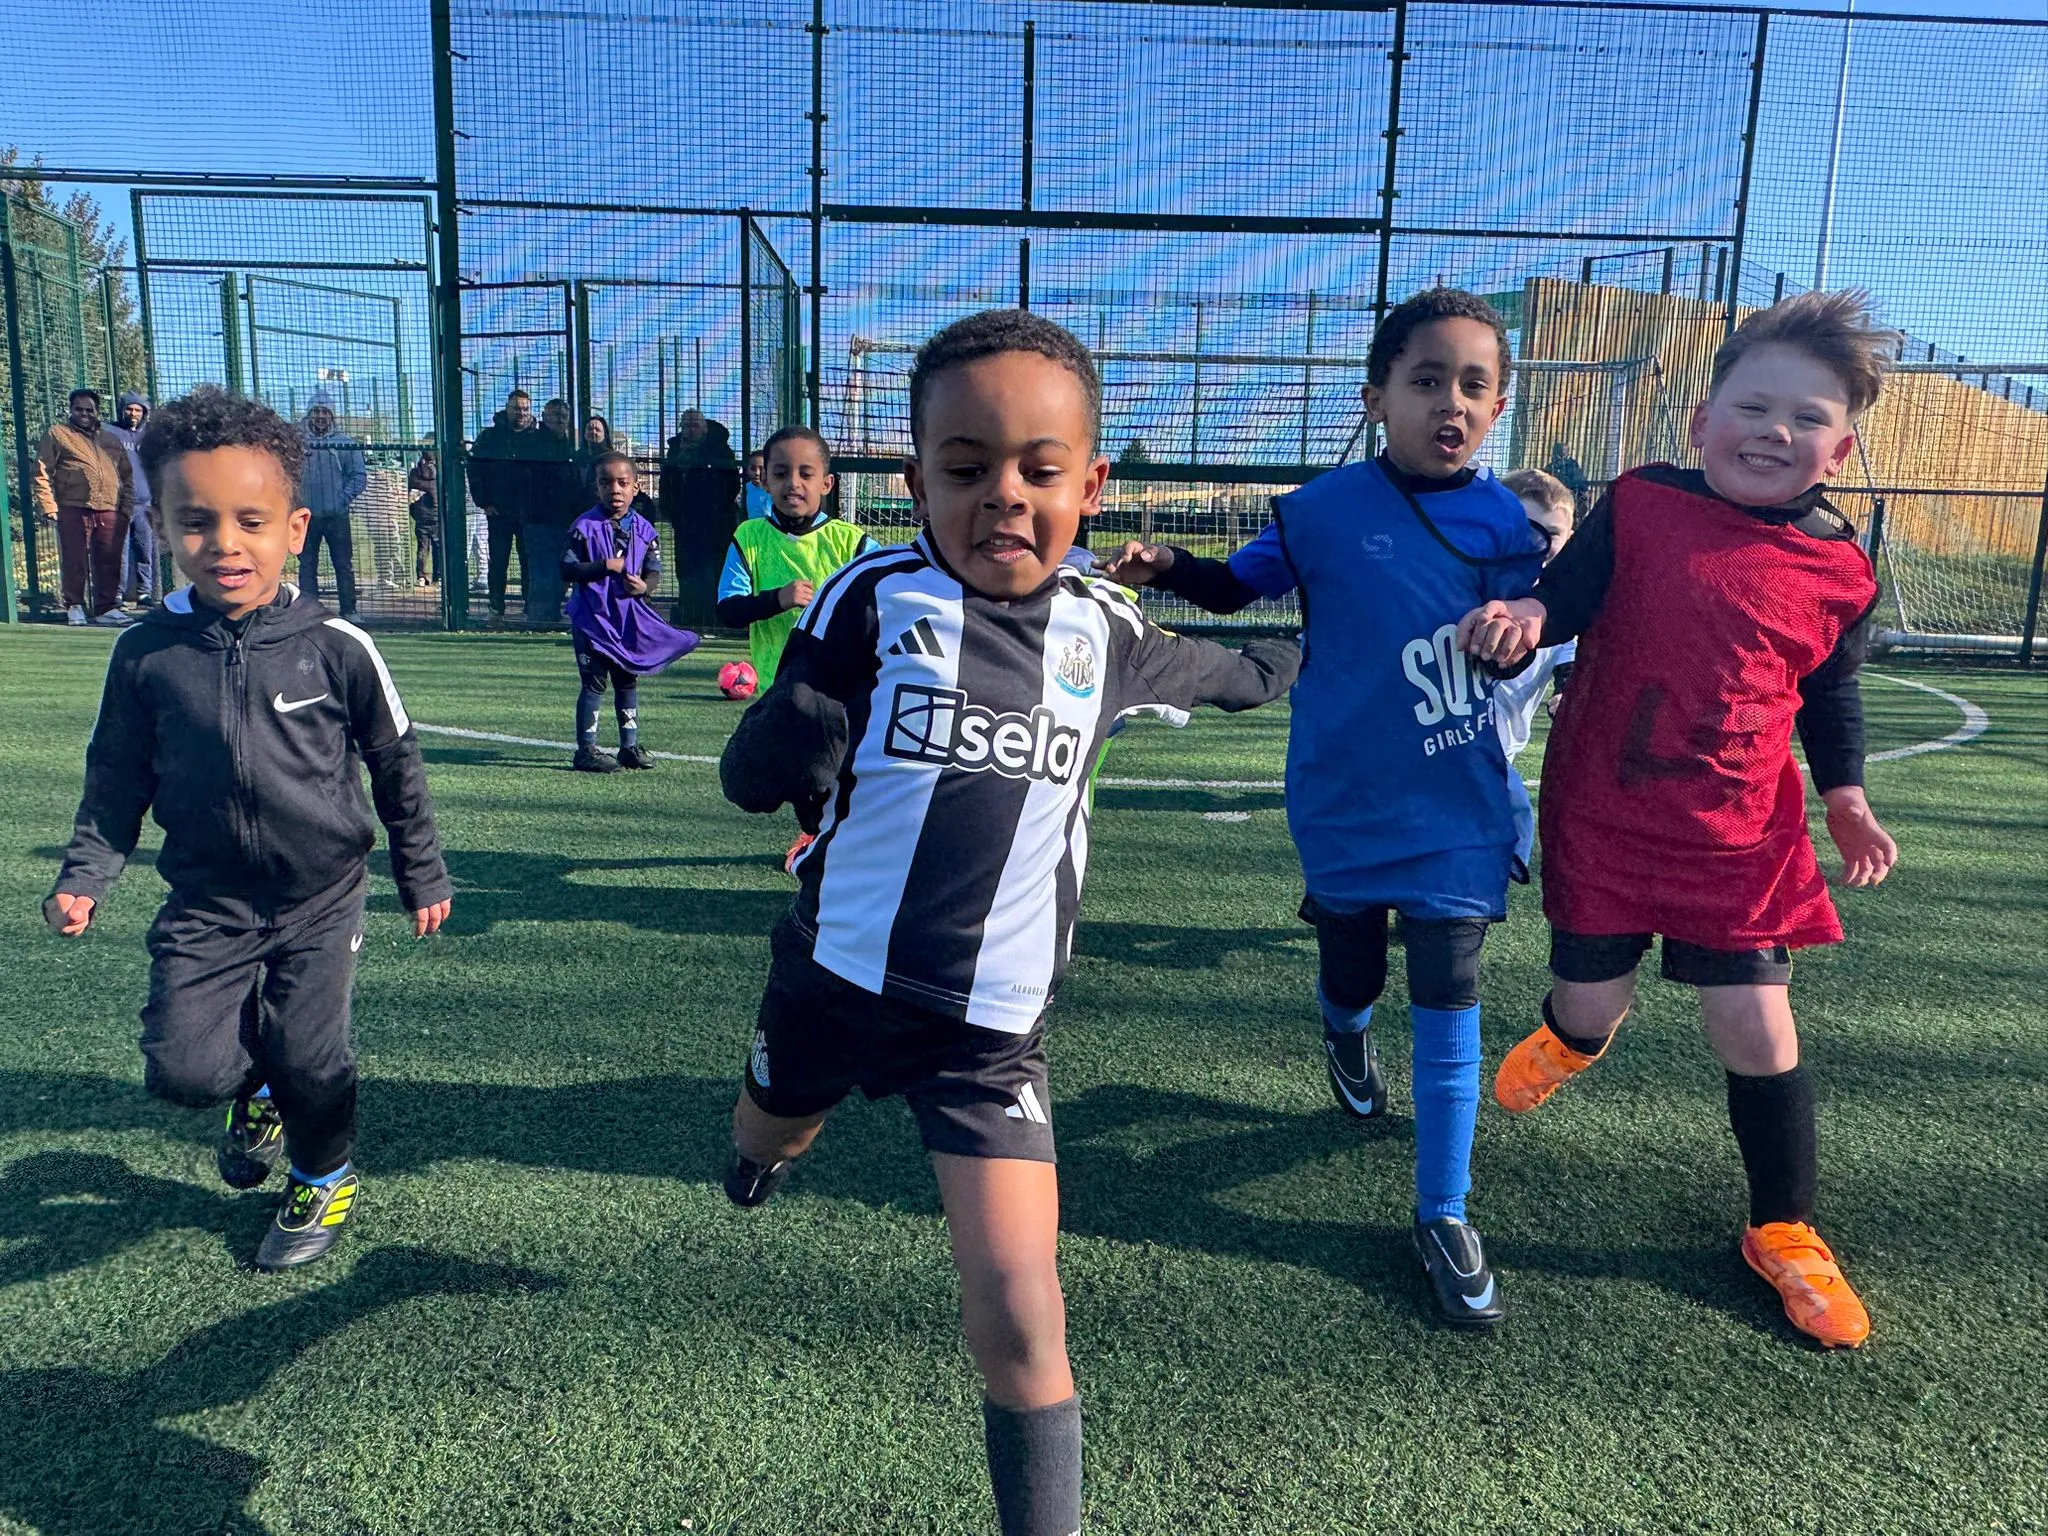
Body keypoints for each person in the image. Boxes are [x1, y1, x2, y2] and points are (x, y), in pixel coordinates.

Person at [717, 309, 1299, 1536]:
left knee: (1023, 1303)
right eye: (966, 469)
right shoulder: (869, 597)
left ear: (1090, 483)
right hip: (833, 979)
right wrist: (789, 740)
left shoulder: (1107, 626)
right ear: (915, 476)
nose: (1003, 499)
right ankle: (762, 1154)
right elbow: (761, 758)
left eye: (1039, 471)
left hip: (989, 1033)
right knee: (769, 1131)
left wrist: (1320, 640)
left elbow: (1235, 673)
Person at [1459, 290, 1901, 1350]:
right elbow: (1571, 591)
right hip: (1605, 818)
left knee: (1754, 1026)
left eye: (1805, 419)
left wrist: (1844, 796)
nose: (1774, 432)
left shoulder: (1841, 569)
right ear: (1700, 422)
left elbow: (1830, 694)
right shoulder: (1644, 502)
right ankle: (1570, 1039)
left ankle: (1782, 1228)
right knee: (1589, 1003)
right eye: (1752, 407)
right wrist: (1528, 612)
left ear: (1836, 451)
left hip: (1740, 837)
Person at [1103, 288, 1545, 1327]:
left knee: (1448, 978)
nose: (1450, 401)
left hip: (1458, 797)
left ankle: (1442, 1211)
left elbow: (1545, 622)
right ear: (1375, 397)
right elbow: (1232, 592)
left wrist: (1523, 620)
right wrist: (1168, 564)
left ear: (1497, 408)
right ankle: (1342, 1036)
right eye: (1425, 379)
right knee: (1351, 969)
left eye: (1474, 385)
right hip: (1345, 795)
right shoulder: (1317, 510)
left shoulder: (1506, 527)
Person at [43, 385, 451, 1271]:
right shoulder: (146, 655)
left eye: (250, 521)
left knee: (312, 1054)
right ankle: (253, 1088)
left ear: (294, 529)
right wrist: (85, 874)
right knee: (186, 1072)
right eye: (196, 521)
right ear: (160, 525)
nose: (224, 543)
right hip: (207, 899)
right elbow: (116, 777)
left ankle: (322, 1172)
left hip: (320, 897)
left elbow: (396, 762)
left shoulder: (337, 644)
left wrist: (423, 874)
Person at [716, 425, 878, 870]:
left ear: (827, 483)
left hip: (844, 688)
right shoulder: (748, 538)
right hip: (780, 686)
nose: (794, 484)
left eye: (807, 474)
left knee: (845, 771)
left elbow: (883, 605)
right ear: (764, 480)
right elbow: (728, 610)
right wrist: (778, 599)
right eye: (782, 473)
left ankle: (830, 839)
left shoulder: (855, 543)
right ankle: (816, 830)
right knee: (776, 778)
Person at [561, 451, 700, 772]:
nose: (615, 490)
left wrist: (645, 587)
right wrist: (604, 566)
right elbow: (567, 569)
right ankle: (586, 750)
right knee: (594, 684)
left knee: (627, 682)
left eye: (623, 483)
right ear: (596, 488)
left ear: (636, 487)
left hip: (626, 622)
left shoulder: (644, 529)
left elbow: (653, 571)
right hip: (592, 621)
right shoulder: (584, 527)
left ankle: (629, 746)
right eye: (606, 483)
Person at [1490, 467, 1579, 869]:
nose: (1536, 541)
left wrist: (1567, 693)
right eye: (1525, 527)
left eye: (1551, 533)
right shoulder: (1471, 578)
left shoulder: (1562, 604)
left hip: (1505, 741)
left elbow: (1570, 660)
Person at [32, 387, 135, 626]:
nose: (84, 414)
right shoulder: (58, 434)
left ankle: (106, 607)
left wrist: (125, 510)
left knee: (110, 559)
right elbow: (41, 471)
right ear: (70, 410)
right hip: (73, 506)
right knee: (74, 558)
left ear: (97, 412)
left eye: (89, 409)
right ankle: (75, 606)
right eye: (79, 409)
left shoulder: (111, 439)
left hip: (110, 508)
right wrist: (48, 504)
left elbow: (127, 477)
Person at [658, 408, 742, 629]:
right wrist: (674, 512)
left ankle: (711, 620)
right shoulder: (674, 452)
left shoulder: (720, 452)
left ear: (704, 429)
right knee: (686, 573)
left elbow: (731, 486)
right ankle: (690, 619)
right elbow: (666, 487)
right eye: (685, 425)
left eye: (694, 425)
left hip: (714, 527)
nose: (688, 430)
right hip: (685, 526)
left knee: (712, 573)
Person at [468, 389, 543, 626]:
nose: (520, 413)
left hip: (528, 512)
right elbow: (475, 470)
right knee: (498, 561)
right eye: (516, 408)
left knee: (528, 561)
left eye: (524, 409)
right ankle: (496, 608)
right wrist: (484, 501)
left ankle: (529, 608)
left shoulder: (536, 438)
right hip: (498, 511)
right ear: (507, 409)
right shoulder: (489, 437)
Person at [297, 390, 367, 622]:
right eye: (315, 411)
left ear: (332, 416)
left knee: (343, 564)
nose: (319, 416)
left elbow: (358, 476)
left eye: (324, 412)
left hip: (337, 515)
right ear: (308, 414)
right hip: (305, 516)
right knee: (307, 565)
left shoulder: (345, 443)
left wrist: (342, 500)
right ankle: (309, 610)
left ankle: (349, 610)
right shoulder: (296, 442)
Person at [517, 397, 581, 627]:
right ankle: (541, 618)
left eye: (564, 416)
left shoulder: (568, 445)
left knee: (562, 571)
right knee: (544, 570)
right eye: (555, 415)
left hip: (565, 518)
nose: (560, 420)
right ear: (544, 417)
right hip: (539, 518)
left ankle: (551, 614)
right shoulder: (534, 442)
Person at [108, 393, 158, 608]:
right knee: (118, 551)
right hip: (118, 504)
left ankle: (144, 594)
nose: (133, 413)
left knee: (144, 550)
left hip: (145, 505)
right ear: (122, 410)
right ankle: (116, 595)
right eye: (130, 409)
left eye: (138, 410)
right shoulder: (109, 432)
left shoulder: (151, 436)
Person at [408, 447, 440, 586]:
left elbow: (411, 496)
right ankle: (439, 577)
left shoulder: (415, 473)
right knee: (439, 547)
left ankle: (421, 576)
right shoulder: (440, 473)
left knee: (423, 547)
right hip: (437, 515)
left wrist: (415, 513)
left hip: (421, 516)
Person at [744, 447, 773, 518]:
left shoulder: (772, 489)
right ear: (747, 470)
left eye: (761, 468)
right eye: (753, 468)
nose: (757, 473)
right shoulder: (748, 487)